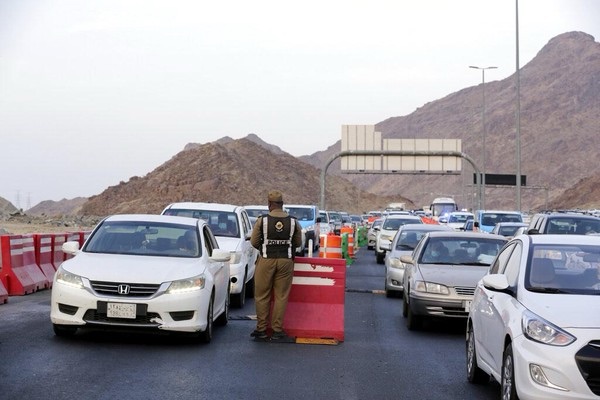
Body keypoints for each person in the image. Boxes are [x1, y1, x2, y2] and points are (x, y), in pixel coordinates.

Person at [250, 190, 302, 341]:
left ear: (269, 204)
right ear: (282, 204)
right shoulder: (293, 222)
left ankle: (261, 329)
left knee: (262, 295)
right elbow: (298, 243)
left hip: (266, 260)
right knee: (281, 296)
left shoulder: (262, 221)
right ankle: (277, 330)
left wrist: (266, 246)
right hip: (286, 261)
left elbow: (254, 242)